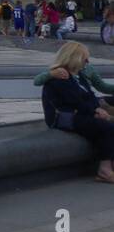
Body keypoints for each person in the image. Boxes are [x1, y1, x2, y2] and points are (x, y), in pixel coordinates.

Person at [40, 43, 114, 183]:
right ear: (75, 58)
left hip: (79, 112)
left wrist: (96, 109)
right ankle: (104, 170)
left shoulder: (78, 74)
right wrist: (94, 111)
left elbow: (90, 96)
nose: (87, 62)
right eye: (85, 59)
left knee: (105, 124)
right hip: (63, 117)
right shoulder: (60, 76)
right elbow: (74, 100)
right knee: (107, 127)